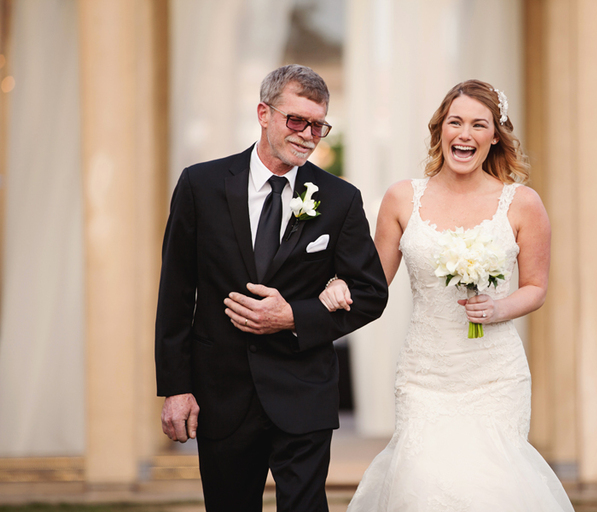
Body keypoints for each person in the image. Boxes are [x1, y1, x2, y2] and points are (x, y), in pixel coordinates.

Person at [321, 79, 574, 511]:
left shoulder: (522, 203)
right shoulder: (403, 198)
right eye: (455, 122)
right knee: (422, 486)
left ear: (495, 135)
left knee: (492, 489)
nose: (465, 134)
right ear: (439, 129)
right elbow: (372, 282)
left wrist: (497, 308)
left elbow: (535, 288)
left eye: (479, 124)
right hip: (425, 376)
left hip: (495, 375)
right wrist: (336, 284)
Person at [155, 64, 388, 512]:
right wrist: (176, 387)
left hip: (305, 393)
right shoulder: (200, 185)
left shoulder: (340, 198)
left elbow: (371, 292)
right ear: (264, 113)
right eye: (296, 120)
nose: (307, 134)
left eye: (318, 125)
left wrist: (295, 317)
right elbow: (176, 292)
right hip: (222, 392)